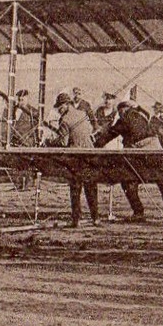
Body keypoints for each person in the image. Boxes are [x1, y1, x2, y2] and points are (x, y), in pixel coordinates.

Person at [93, 96, 163, 223]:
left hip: (140, 153)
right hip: (155, 151)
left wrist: (95, 146)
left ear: (124, 109)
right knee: (162, 181)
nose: (120, 113)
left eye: (120, 111)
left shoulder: (125, 119)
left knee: (127, 180)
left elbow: (110, 134)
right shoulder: (143, 116)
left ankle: (138, 212)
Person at [54, 92, 98, 228]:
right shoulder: (82, 114)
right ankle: (95, 218)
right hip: (90, 154)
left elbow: (63, 143)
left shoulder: (64, 120)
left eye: (60, 107)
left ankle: (76, 219)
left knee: (75, 187)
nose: (59, 110)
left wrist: (50, 141)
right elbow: (90, 130)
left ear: (66, 105)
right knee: (91, 186)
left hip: (76, 157)